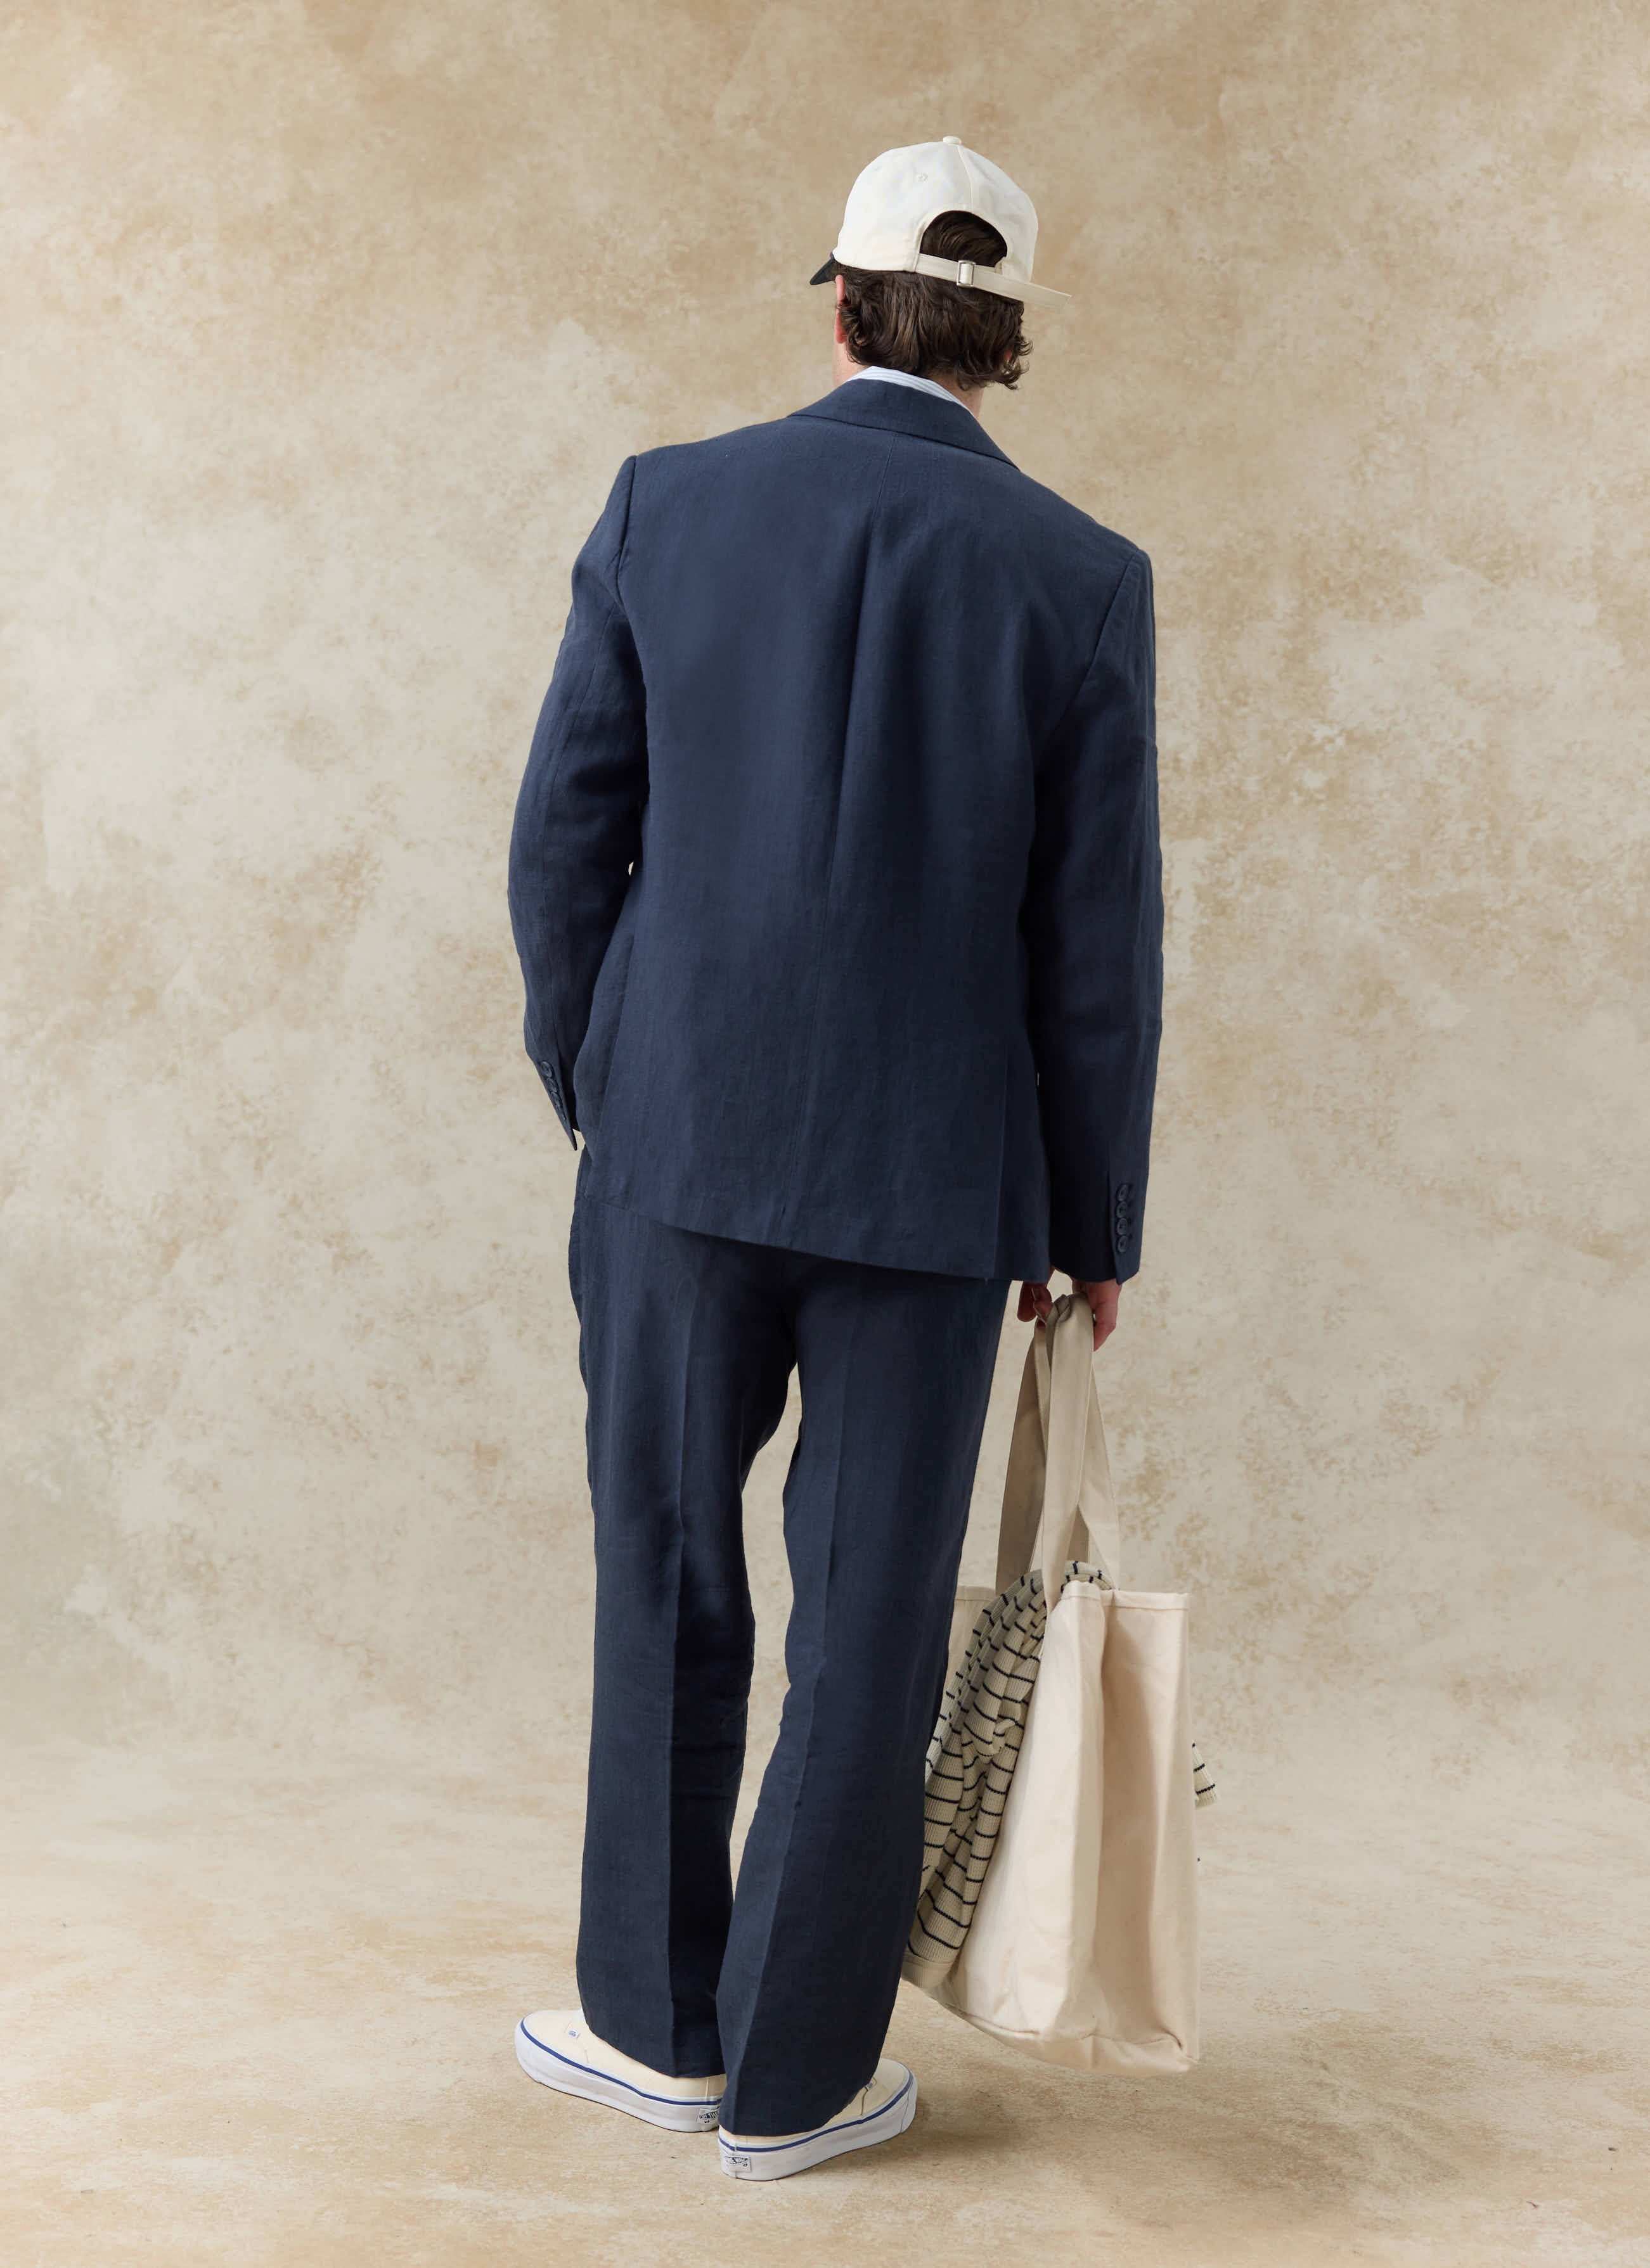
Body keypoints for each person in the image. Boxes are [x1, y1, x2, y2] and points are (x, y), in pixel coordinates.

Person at [506, 136, 1163, 2181]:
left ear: (844, 304)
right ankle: (794, 2086)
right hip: (933, 1184)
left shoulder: (665, 503)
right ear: (1004, 333)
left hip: (675, 1153)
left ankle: (650, 2028)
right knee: (868, 1623)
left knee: (666, 1576)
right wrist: (1085, 1218)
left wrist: (606, 1089)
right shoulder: (1079, 574)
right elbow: (1092, 947)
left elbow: (561, 845)